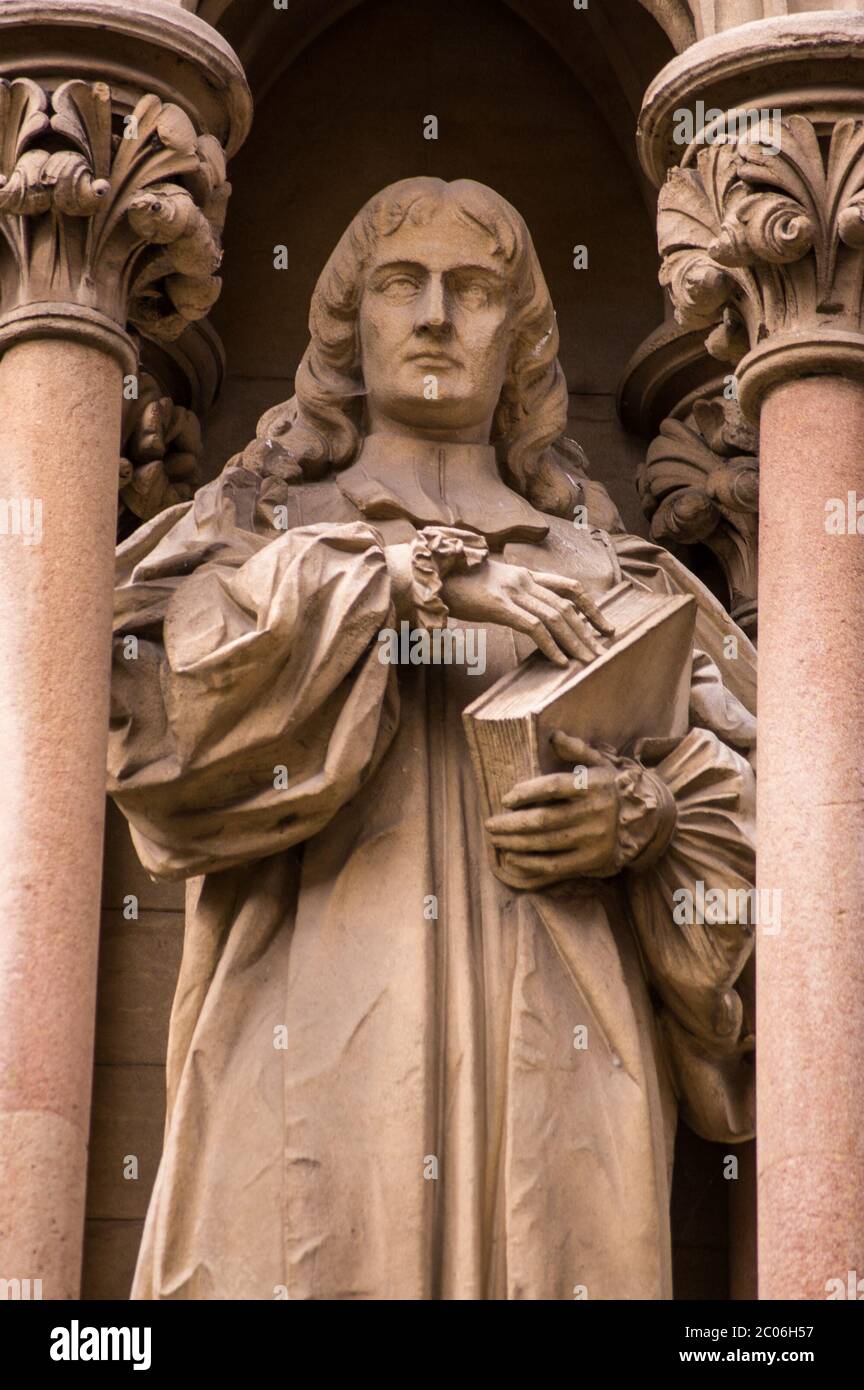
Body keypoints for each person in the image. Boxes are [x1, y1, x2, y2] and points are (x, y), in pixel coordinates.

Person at [109, 177, 756, 1300]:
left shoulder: (612, 575)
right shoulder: (261, 535)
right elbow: (153, 729)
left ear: (527, 335)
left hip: (563, 1051)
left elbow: (775, 836)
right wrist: (412, 582)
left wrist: (646, 824)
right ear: (351, 324)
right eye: (403, 285)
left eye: (476, 289)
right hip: (314, 1035)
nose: (437, 316)